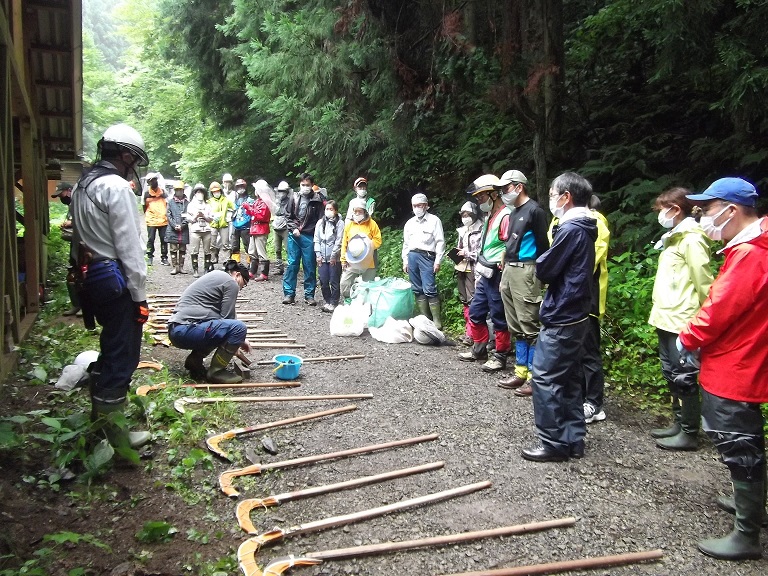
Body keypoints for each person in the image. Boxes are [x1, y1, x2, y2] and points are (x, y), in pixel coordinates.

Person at [677, 177, 768, 561]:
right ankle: (752, 508)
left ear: (732, 210)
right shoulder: (753, 248)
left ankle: (747, 535)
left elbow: (720, 309)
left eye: (708, 209)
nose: (703, 217)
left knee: (738, 441)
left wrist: (688, 337)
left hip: (737, 361)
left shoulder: (749, 254)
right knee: (745, 438)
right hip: (747, 355)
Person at [70, 123, 151, 449]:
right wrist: (140, 296)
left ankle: (99, 421)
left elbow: (78, 241)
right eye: (134, 160)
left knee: (110, 344)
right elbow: (129, 247)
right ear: (126, 154)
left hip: (94, 278)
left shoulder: (82, 186)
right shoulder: (116, 187)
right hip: (116, 280)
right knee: (123, 352)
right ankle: (116, 438)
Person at [521, 171, 597, 463]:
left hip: (564, 312)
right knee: (570, 377)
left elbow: (545, 269)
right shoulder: (585, 227)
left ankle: (554, 443)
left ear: (566, 197)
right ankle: (573, 438)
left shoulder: (571, 229)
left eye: (553, 194)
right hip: (577, 312)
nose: (550, 198)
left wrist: (541, 261)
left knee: (545, 377)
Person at [648, 187, 712, 449]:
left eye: (663, 208)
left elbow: (704, 282)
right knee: (670, 372)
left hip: (681, 318)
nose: (660, 213)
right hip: (665, 315)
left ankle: (689, 432)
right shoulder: (673, 238)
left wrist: (707, 316)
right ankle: (678, 423)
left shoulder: (692, 239)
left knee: (684, 376)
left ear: (676, 209)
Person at [495, 170, 549, 395]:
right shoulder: (513, 212)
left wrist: (543, 275)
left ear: (519, 187)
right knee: (515, 324)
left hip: (527, 270)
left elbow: (543, 245)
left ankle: (535, 378)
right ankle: (520, 372)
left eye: (505, 189)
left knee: (530, 324)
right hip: (509, 269)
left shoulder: (534, 210)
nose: (503, 193)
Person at [167, 260, 253, 384]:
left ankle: (195, 360)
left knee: (218, 326)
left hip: (176, 330)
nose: (240, 288)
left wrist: (237, 341)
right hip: (187, 329)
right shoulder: (231, 283)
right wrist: (238, 340)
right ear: (237, 274)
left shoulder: (217, 276)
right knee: (239, 328)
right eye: (243, 284)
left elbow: (221, 323)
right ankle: (216, 372)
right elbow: (228, 320)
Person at [458, 175, 512, 372]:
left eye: (481, 197)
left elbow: (509, 245)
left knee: (498, 316)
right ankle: (479, 349)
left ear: (493, 194)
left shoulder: (506, 215)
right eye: (477, 198)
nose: (479, 201)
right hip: (484, 271)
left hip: (497, 272)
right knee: (476, 311)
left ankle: (500, 355)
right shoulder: (489, 216)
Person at [402, 193, 445, 328]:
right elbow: (406, 244)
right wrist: (405, 261)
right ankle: (425, 319)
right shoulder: (409, 223)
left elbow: (440, 242)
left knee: (429, 288)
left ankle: (436, 321)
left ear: (426, 206)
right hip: (412, 256)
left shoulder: (434, 221)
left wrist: (438, 260)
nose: (417, 208)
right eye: (414, 206)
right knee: (417, 289)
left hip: (427, 256)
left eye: (419, 205)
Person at [283, 173, 324, 305]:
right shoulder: (293, 197)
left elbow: (320, 220)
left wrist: (317, 236)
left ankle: (309, 295)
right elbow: (288, 215)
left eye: (307, 184)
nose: (305, 187)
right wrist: (293, 228)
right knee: (292, 265)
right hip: (294, 235)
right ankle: (289, 294)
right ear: (299, 184)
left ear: (312, 185)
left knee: (310, 266)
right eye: (303, 184)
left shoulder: (318, 200)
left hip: (309, 236)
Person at [340, 198, 383, 300]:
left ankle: (366, 307)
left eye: (360, 211)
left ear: (364, 212)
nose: (357, 213)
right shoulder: (349, 225)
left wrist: (367, 247)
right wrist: (343, 259)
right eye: (356, 211)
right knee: (344, 283)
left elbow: (378, 240)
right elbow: (344, 243)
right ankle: (349, 301)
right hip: (352, 260)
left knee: (368, 287)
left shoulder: (372, 224)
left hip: (369, 261)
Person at [454, 201, 483, 345]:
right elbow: (459, 248)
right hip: (462, 267)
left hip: (476, 268)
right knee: (464, 299)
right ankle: (468, 332)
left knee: (474, 301)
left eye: (468, 215)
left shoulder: (482, 228)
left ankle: (477, 336)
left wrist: (467, 254)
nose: (465, 217)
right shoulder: (462, 230)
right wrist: (456, 255)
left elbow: (482, 252)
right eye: (463, 215)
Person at [52, 182, 81, 316]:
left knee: (85, 274)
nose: (61, 198)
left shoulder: (80, 201)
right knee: (72, 275)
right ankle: (76, 305)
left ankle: (87, 307)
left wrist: (72, 222)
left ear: (69, 191)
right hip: (74, 244)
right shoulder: (71, 205)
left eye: (61, 194)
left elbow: (86, 218)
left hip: (84, 244)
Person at [314, 200, 344, 312]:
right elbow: (316, 239)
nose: (328, 211)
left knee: (334, 281)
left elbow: (339, 240)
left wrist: (334, 255)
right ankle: (327, 300)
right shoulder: (320, 223)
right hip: (322, 256)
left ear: (335, 211)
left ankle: (334, 302)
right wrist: (318, 254)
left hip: (334, 258)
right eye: (327, 209)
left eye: (331, 209)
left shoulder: (340, 223)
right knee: (323, 280)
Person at [185, 184, 213, 277]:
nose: (200, 194)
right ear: (195, 193)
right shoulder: (191, 205)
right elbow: (188, 219)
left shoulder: (208, 205)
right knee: (194, 250)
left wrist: (204, 216)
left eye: (201, 192)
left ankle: (206, 269)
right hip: (195, 230)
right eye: (198, 192)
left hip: (207, 230)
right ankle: (195, 270)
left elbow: (211, 218)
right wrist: (196, 216)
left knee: (207, 251)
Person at [244, 185, 272, 281]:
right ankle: (252, 271)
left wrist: (249, 208)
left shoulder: (265, 202)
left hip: (261, 229)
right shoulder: (258, 201)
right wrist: (248, 208)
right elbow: (253, 213)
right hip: (254, 229)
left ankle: (264, 274)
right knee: (252, 251)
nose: (255, 191)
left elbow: (260, 215)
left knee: (261, 252)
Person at [141, 173, 169, 266]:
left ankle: (164, 257)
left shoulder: (164, 193)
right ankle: (149, 256)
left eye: (155, 180)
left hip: (163, 219)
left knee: (164, 240)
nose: (154, 182)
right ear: (149, 183)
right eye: (151, 181)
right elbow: (144, 207)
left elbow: (168, 204)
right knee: (151, 239)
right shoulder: (146, 194)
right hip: (151, 220)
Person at [165, 181, 190, 275]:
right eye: (177, 190)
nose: (179, 191)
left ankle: (181, 266)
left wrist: (182, 225)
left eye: (180, 189)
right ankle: (175, 267)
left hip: (184, 229)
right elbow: (168, 214)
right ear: (174, 190)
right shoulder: (170, 202)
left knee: (183, 249)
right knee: (173, 249)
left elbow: (189, 215)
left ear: (183, 190)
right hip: (172, 230)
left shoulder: (187, 203)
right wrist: (174, 225)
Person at [208, 181, 234, 264]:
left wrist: (230, 216)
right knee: (212, 244)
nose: (216, 193)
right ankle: (212, 260)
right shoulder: (209, 201)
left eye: (218, 191)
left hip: (224, 224)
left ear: (220, 191)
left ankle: (226, 261)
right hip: (213, 225)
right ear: (212, 192)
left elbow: (234, 208)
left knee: (226, 244)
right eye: (214, 192)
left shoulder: (226, 200)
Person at [230, 179, 253, 266]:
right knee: (234, 246)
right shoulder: (234, 200)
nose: (240, 188)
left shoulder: (250, 200)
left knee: (247, 245)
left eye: (242, 186)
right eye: (238, 186)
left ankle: (250, 263)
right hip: (235, 225)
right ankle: (235, 263)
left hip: (246, 226)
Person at [272, 180, 291, 275]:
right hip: (276, 227)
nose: (281, 193)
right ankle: (279, 267)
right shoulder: (276, 201)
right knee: (277, 249)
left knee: (288, 249)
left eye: (283, 191)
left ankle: (289, 268)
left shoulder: (290, 201)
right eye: (280, 191)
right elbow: (274, 212)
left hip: (285, 228)